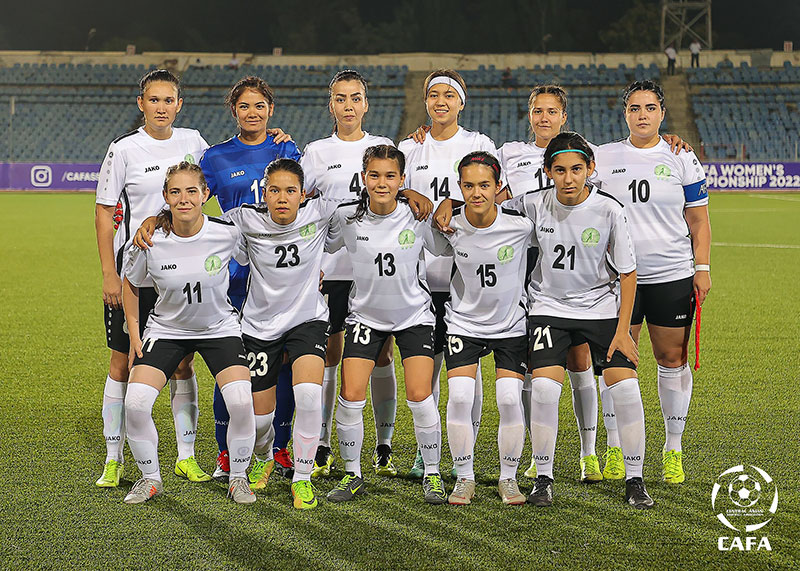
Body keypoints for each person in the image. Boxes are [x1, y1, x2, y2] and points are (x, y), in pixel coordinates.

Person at [440, 132, 653, 509]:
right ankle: (543, 478)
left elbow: (628, 272)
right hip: (547, 309)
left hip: (601, 309)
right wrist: (447, 202)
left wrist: (623, 331)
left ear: (590, 169)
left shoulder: (609, 209)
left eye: (576, 169)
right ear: (547, 171)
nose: (569, 178)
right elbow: (484, 202)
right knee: (542, 390)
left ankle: (635, 479)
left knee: (625, 389)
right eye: (560, 170)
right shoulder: (532, 203)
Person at [498, 84, 694, 483]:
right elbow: (491, 196)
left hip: (592, 276)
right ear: (529, 114)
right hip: (532, 272)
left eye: (552, 111)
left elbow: (636, 154)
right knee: (537, 372)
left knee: (583, 364)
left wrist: (665, 140)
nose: (544, 117)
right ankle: (540, 457)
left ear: (564, 116)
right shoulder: (508, 153)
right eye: (537, 110)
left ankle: (592, 451)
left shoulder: (592, 153)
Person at [94, 69, 210, 488]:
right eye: (154, 99)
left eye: (169, 100)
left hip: (181, 272)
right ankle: (113, 458)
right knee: (122, 361)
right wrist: (109, 273)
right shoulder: (124, 148)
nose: (161, 107)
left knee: (182, 362)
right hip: (135, 273)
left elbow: (214, 181)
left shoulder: (194, 142)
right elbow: (104, 211)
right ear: (141, 103)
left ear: (179, 104)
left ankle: (186, 456)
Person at [594, 80, 711, 485]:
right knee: (615, 360)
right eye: (634, 108)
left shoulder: (682, 157)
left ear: (662, 112)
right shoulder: (603, 156)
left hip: (671, 274)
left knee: (671, 359)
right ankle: (614, 445)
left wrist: (702, 267)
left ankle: (673, 448)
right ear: (625, 113)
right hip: (616, 277)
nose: (642, 115)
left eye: (649, 108)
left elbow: (698, 220)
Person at [121, 162, 256, 505]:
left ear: (205, 194)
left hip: (219, 328)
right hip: (167, 329)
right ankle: (150, 478)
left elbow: (259, 257)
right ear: (165, 196)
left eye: (192, 191)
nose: (184, 199)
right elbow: (131, 284)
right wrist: (135, 335)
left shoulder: (227, 233)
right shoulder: (150, 240)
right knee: (135, 403)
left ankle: (238, 478)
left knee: (241, 402)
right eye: (176, 192)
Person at [325, 145, 448, 504]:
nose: (382, 183)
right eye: (374, 175)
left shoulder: (417, 215)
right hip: (366, 316)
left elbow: (443, 247)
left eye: (390, 176)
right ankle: (352, 474)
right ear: (363, 178)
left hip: (414, 317)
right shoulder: (346, 216)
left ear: (402, 179)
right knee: (350, 396)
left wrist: (431, 203)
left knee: (420, 395)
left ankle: (432, 472)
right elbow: (321, 244)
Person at [198, 75, 300, 482]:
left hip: (283, 275)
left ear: (270, 110)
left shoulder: (286, 149)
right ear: (234, 110)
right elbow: (190, 203)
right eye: (244, 106)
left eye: (260, 105)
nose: (252, 113)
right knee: (233, 363)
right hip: (237, 277)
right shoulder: (216, 157)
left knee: (285, 362)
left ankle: (278, 448)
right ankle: (226, 451)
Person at [400, 69, 500, 478]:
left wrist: (453, 202)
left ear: (462, 101)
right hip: (420, 273)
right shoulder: (409, 147)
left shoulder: (478, 144)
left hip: (466, 274)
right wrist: (409, 191)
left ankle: (465, 450)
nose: (441, 101)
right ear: (426, 101)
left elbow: (495, 194)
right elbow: (392, 190)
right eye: (434, 95)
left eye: (449, 95)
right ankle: (427, 450)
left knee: (466, 368)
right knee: (429, 365)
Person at [300, 70, 399, 479]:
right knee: (330, 354)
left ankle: (384, 444)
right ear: (331, 104)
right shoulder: (316, 152)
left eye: (355, 98)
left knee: (382, 353)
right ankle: (323, 443)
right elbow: (303, 207)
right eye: (340, 98)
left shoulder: (383, 146)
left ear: (366, 104)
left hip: (375, 269)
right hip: (331, 270)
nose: (348, 106)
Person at [224, 159, 334, 509]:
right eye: (275, 190)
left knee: (309, 395)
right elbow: (196, 223)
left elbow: (370, 204)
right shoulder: (245, 219)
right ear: (264, 193)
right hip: (259, 325)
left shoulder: (321, 211)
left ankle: (302, 478)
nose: (282, 198)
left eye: (290, 191)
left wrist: (409, 194)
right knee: (259, 421)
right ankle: (264, 456)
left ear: (303, 194)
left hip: (308, 319)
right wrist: (155, 219)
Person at [436, 152, 533, 506]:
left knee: (508, 399)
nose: (476, 193)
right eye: (468, 186)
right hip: (464, 323)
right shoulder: (449, 225)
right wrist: (444, 205)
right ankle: (465, 477)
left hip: (510, 325)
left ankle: (508, 478)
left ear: (498, 187)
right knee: (461, 398)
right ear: (459, 187)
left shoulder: (521, 226)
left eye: (484, 185)